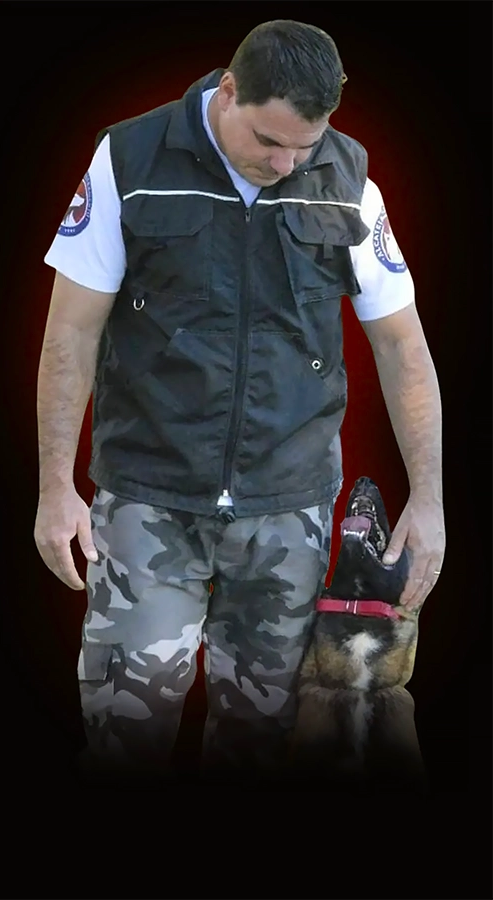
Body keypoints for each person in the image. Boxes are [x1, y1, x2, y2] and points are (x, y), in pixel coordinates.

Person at [34, 20, 445, 786]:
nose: (287, 163)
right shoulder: (129, 159)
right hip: (150, 499)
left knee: (264, 745)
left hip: (288, 510)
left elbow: (403, 349)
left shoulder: (349, 180)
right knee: (125, 739)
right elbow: (71, 332)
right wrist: (55, 487)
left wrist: (430, 499)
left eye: (305, 146)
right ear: (227, 91)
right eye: (268, 141)